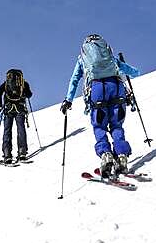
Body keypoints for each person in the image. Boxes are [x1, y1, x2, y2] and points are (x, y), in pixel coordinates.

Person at [59, 34, 141, 179]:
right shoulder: (108, 56)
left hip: (97, 89)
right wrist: (134, 72)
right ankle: (121, 155)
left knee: (100, 126)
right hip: (116, 87)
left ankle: (106, 155)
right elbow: (131, 71)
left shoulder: (83, 59)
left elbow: (75, 80)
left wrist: (68, 100)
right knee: (116, 125)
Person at [0, 69, 33, 164]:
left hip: (8, 109)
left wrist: (0, 106)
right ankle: (22, 153)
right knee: (21, 129)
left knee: (7, 131)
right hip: (20, 109)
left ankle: (7, 155)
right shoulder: (24, 83)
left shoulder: (5, 84)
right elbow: (29, 95)